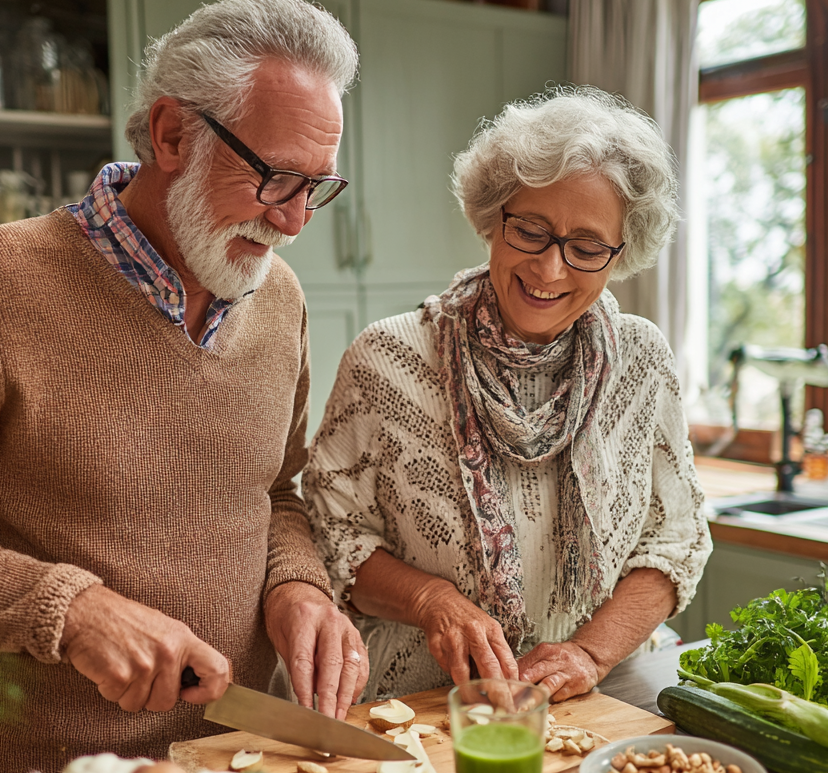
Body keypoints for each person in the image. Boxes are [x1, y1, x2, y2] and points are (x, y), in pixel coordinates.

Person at [0, 0, 369, 773]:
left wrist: (297, 586)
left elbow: (275, 491)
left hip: (249, 767)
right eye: (275, 178)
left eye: (318, 186)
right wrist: (69, 611)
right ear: (171, 134)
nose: (297, 220)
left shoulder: (281, 298)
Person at [304, 86, 712, 704]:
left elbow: (675, 539)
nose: (550, 270)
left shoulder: (642, 361)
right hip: (420, 707)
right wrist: (430, 599)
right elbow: (333, 533)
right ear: (494, 217)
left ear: (620, 254)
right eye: (531, 231)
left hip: (602, 699)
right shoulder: (386, 359)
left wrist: (589, 653)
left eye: (586, 247)